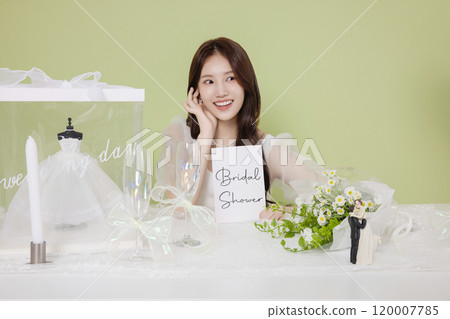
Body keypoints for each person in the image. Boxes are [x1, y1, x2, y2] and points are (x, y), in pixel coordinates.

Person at [156, 37, 323, 219]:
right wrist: (205, 134)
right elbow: (178, 208)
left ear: (245, 83)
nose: (221, 91)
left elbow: (332, 199)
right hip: (193, 246)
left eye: (231, 78)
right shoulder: (181, 137)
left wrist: (285, 210)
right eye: (209, 82)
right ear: (196, 92)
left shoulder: (265, 147)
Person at [348, 199, 378, 265]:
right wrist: (363, 218)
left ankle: (353, 259)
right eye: (355, 204)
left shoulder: (351, 215)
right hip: (356, 234)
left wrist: (355, 215)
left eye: (357, 203)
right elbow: (361, 224)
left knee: (354, 247)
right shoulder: (353, 217)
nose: (356, 205)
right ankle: (354, 260)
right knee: (355, 247)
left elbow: (360, 216)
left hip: (354, 233)